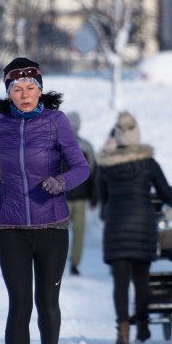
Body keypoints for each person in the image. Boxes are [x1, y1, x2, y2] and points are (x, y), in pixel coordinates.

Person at [0, 57, 89, 344]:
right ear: (8, 92)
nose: (24, 95)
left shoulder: (56, 122)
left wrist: (61, 181)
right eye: (17, 89)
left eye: (31, 88)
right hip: (10, 227)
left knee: (47, 305)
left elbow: (82, 166)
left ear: (41, 89)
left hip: (51, 225)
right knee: (19, 304)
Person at [96, 110, 172, 344]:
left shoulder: (106, 165)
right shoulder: (148, 163)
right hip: (143, 226)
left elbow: (103, 201)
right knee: (142, 280)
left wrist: (108, 213)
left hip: (116, 227)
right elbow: (166, 193)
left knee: (120, 283)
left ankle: (123, 329)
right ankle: (142, 327)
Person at [64, 111, 97, 276]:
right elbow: (93, 173)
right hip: (81, 198)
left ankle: (57, 261)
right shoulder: (87, 146)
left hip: (61, 197)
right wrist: (94, 198)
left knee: (59, 232)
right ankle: (74, 264)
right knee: (79, 234)